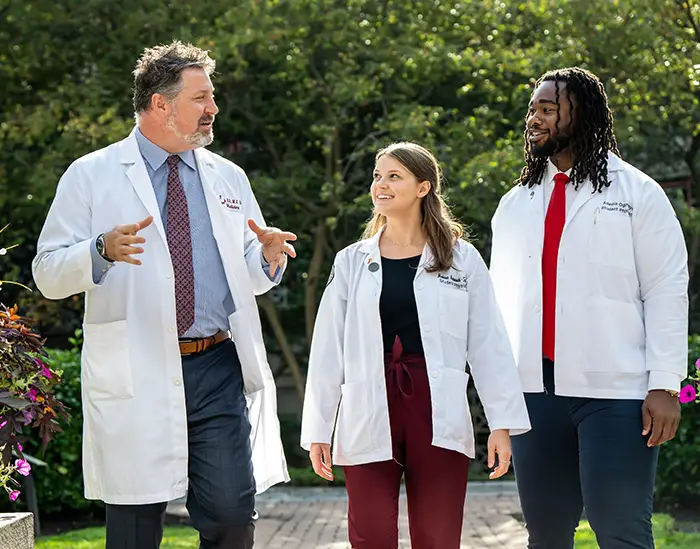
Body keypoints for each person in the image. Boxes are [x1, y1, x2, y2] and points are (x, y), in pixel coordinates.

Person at [32, 41, 294, 549]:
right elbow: (47, 273)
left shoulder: (228, 177)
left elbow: (244, 276)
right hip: (137, 365)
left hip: (216, 365)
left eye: (211, 97)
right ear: (160, 104)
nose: (213, 108)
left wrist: (265, 259)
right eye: (201, 98)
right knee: (134, 526)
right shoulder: (91, 175)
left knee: (232, 518)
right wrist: (100, 250)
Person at [489, 67, 688, 549]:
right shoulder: (515, 204)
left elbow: (665, 288)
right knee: (547, 533)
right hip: (535, 394)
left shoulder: (638, 193)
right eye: (532, 109)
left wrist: (664, 383)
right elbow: (496, 307)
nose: (533, 119)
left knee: (620, 529)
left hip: (616, 393)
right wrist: (499, 399)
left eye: (547, 109)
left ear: (582, 113)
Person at [300, 142, 531, 549]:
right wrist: (320, 428)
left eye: (393, 176)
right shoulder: (351, 261)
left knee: (438, 537)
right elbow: (327, 349)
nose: (380, 185)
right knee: (370, 536)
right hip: (369, 403)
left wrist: (502, 424)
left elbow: (488, 344)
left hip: (434, 404)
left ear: (423, 187)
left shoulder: (462, 260)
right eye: (377, 176)